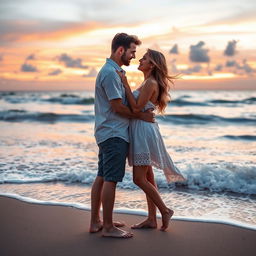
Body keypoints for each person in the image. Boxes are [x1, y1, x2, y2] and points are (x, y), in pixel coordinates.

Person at [89, 33, 155, 238]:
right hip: (114, 133)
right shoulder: (110, 73)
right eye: (132, 52)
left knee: (102, 176)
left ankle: (96, 222)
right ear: (120, 50)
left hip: (108, 131)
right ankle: (108, 227)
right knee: (111, 179)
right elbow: (117, 107)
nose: (134, 56)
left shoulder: (114, 72)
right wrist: (140, 115)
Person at [116, 49, 185, 231]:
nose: (140, 59)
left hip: (143, 131)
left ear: (152, 64)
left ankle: (165, 210)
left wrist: (125, 84)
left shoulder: (150, 83)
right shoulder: (148, 82)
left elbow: (136, 106)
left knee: (139, 179)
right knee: (148, 176)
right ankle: (151, 219)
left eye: (144, 58)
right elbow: (139, 109)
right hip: (143, 128)